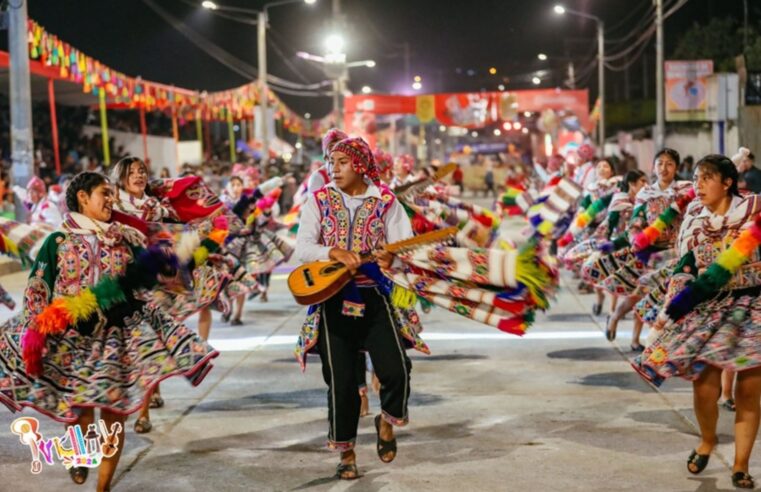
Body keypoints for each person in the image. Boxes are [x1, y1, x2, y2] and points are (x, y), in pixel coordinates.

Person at [0, 171, 218, 492]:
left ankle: (103, 488)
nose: (111, 199)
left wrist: (176, 266)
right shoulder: (57, 241)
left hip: (116, 340)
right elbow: (37, 288)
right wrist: (36, 332)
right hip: (72, 340)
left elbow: (149, 282)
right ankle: (80, 453)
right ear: (83, 198)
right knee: (81, 415)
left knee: (114, 417)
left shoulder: (126, 239)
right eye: (105, 193)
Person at [293, 136, 427, 480]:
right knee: (342, 382)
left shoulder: (385, 201)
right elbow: (304, 248)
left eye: (341, 162)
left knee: (396, 370)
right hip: (332, 300)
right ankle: (347, 453)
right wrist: (333, 253)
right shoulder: (319, 200)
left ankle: (387, 421)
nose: (333, 169)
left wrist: (392, 254)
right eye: (330, 162)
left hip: (374, 297)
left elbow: (403, 244)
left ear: (361, 165)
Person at [636, 154, 761, 489]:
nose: (699, 185)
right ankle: (708, 440)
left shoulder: (755, 210)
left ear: (728, 182)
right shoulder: (694, 216)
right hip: (712, 306)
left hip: (756, 304)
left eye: (707, 177)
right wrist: (669, 312)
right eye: (697, 178)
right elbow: (685, 266)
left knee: (750, 390)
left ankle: (741, 466)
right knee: (704, 386)